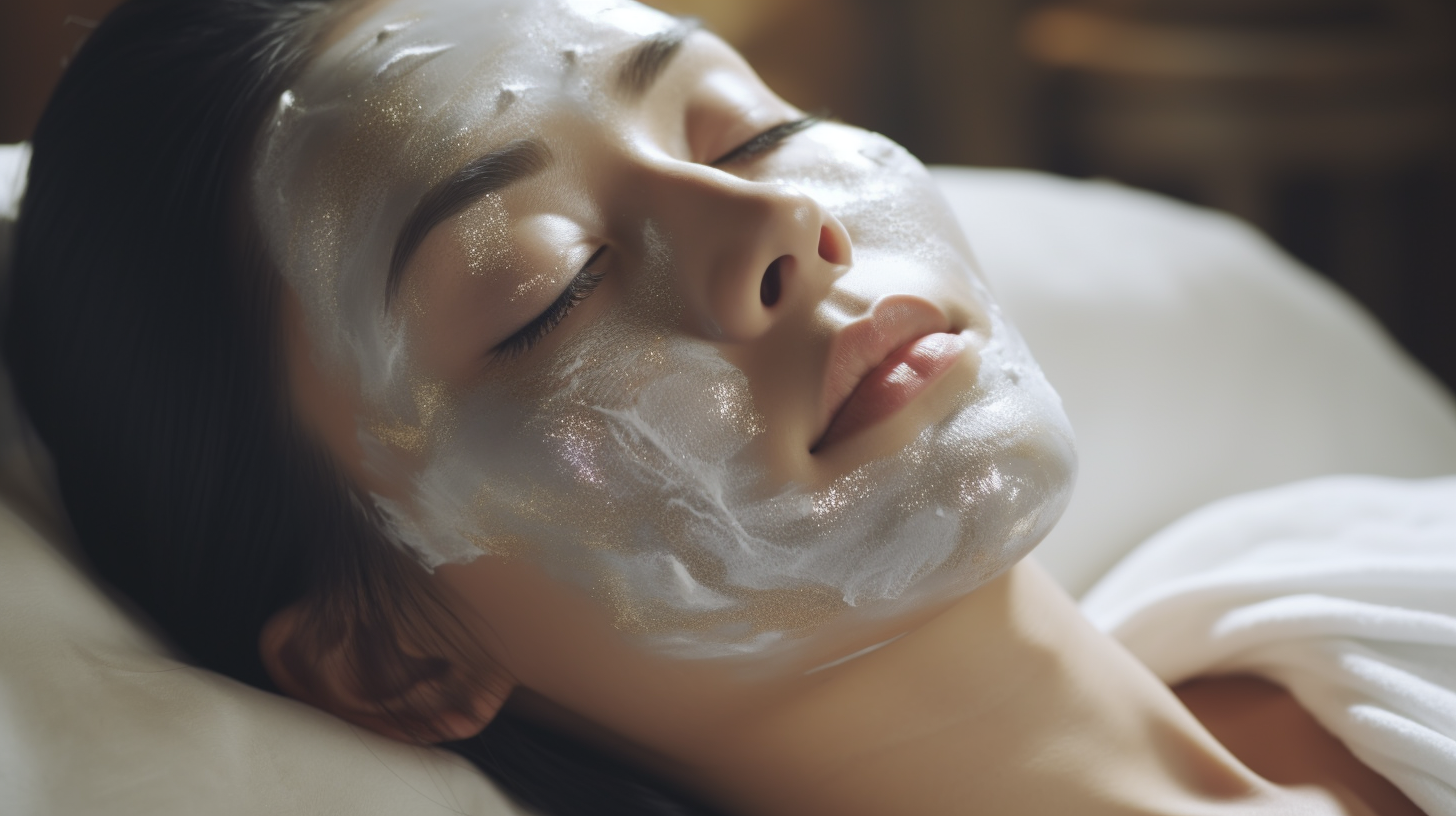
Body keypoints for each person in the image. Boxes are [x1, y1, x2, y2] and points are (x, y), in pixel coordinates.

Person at [1, 0, 1430, 814]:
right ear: (392, 660)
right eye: (544, 289)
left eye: (745, 126)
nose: (775, 226)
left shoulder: (1361, 574)